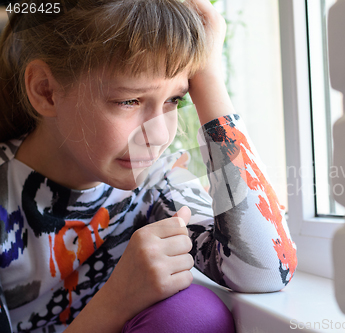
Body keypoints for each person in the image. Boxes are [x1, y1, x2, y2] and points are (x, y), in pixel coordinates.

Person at [0, 0, 298, 332]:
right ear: (46, 91)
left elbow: (269, 268)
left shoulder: (157, 182)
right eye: (129, 100)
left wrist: (208, 74)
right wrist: (115, 302)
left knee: (193, 315)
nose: (159, 135)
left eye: (175, 99)